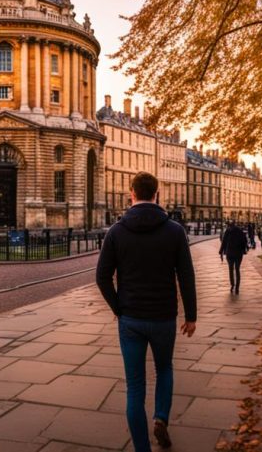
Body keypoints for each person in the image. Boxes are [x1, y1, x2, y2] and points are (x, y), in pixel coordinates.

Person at [96, 171, 197, 452]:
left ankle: (142, 448)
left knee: (135, 387)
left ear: (132, 194)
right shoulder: (174, 230)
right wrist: (191, 315)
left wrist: (118, 308)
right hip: (163, 316)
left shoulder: (116, 231)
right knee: (164, 369)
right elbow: (186, 276)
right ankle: (161, 417)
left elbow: (102, 277)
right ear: (157, 194)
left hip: (130, 319)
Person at [220, 222, 249, 294]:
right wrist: (245, 249)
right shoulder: (240, 231)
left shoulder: (228, 231)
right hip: (238, 253)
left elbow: (224, 242)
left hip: (230, 254)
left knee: (231, 269)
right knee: (237, 270)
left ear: (229, 226)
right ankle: (237, 288)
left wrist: (221, 252)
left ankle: (232, 285)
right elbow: (245, 241)